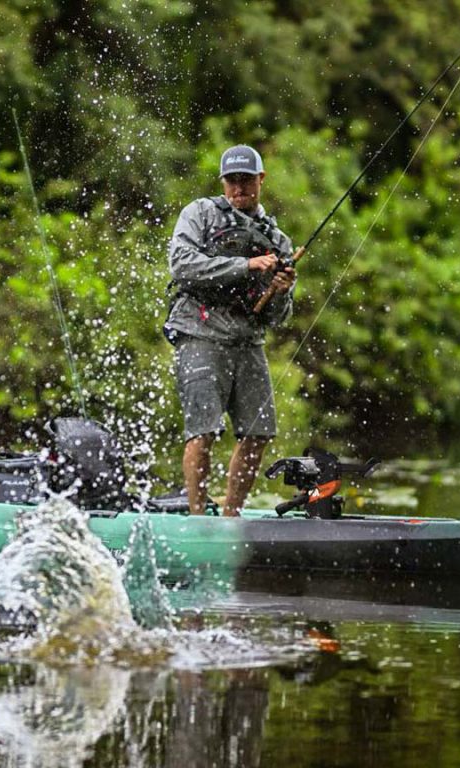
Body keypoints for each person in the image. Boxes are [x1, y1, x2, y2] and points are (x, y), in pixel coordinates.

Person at [164, 144, 297, 516]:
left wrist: (281, 292)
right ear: (223, 183)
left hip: (248, 341)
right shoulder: (200, 213)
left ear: (261, 180)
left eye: (247, 181)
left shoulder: (278, 240)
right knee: (202, 431)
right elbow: (182, 265)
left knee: (259, 433)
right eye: (232, 181)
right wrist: (246, 265)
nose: (239, 189)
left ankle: (231, 514)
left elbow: (278, 318)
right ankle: (195, 515)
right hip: (201, 333)